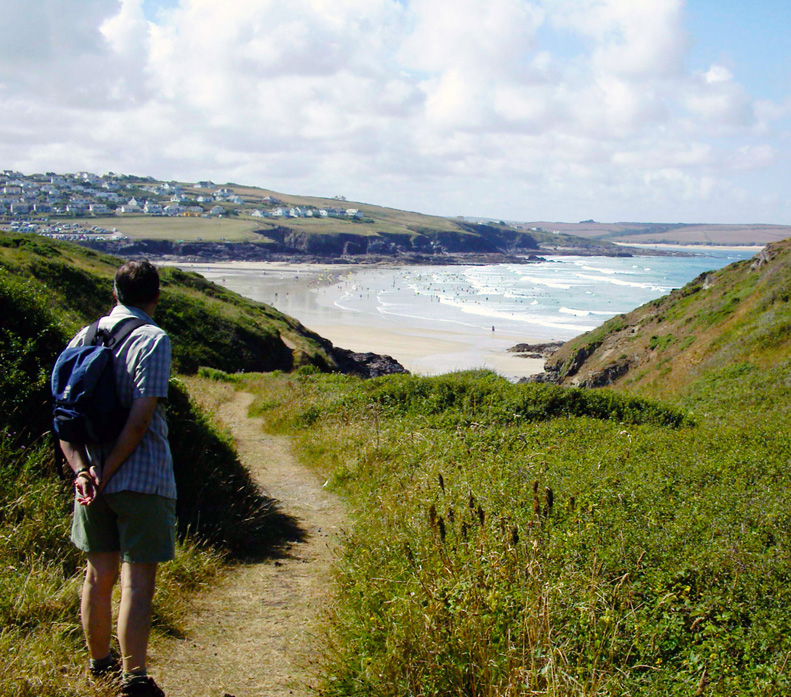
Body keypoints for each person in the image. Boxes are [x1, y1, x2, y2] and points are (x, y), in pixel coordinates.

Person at [60, 260, 175, 697]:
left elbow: (64, 417)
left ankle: (99, 664)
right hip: (141, 476)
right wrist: (110, 472)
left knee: (97, 575)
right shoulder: (153, 338)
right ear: (156, 297)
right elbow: (140, 420)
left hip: (89, 477)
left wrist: (85, 472)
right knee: (137, 580)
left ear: (114, 294)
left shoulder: (83, 336)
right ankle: (134, 679)